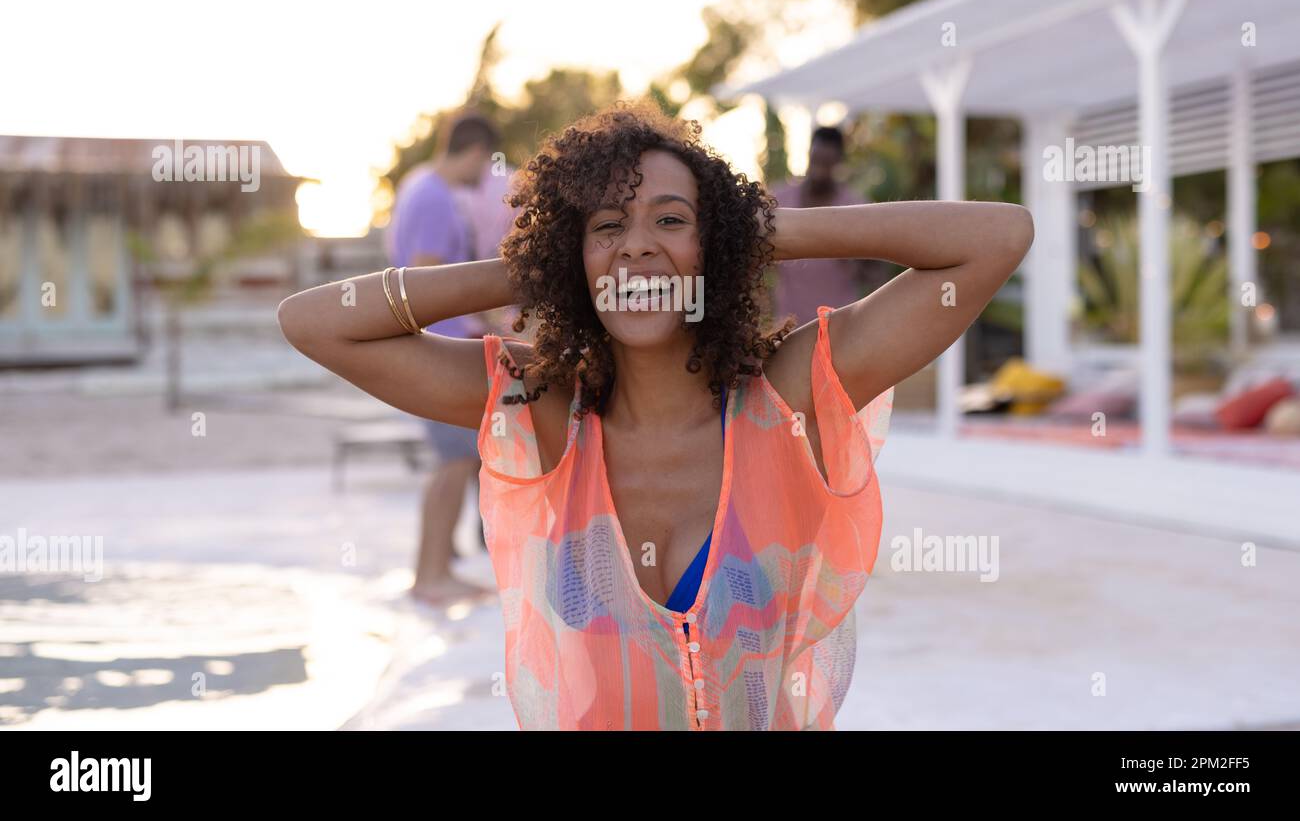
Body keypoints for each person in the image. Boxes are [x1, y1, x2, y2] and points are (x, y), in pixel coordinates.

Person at [279, 99, 1033, 730]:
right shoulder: (543, 410)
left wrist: (753, 233)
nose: (636, 246)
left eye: (670, 220)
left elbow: (996, 238)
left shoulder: (787, 394)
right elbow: (314, 321)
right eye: (607, 225)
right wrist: (539, 262)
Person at [385, 110, 501, 606]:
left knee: (456, 460)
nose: (487, 176)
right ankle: (431, 574)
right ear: (476, 152)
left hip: (443, 343)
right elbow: (426, 281)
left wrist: (491, 323)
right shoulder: (433, 196)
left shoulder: (418, 187)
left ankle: (437, 568)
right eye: (488, 163)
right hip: (441, 349)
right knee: (454, 461)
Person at [769, 125, 873, 327]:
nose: (819, 171)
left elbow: (874, 271)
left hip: (838, 325)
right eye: (816, 161)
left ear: (838, 162)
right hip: (789, 325)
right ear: (808, 155)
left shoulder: (855, 207)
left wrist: (856, 265)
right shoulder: (779, 201)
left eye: (827, 163)